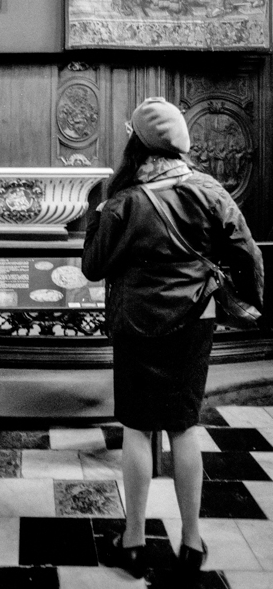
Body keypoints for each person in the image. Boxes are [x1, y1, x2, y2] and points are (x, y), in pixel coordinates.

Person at [82, 97, 263, 583]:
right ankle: (191, 542)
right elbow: (247, 254)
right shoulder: (209, 191)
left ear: (136, 145)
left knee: (138, 429)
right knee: (184, 427)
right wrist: (243, 302)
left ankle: (134, 542)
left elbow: (93, 266)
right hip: (195, 319)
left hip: (138, 321)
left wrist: (99, 213)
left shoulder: (124, 200)